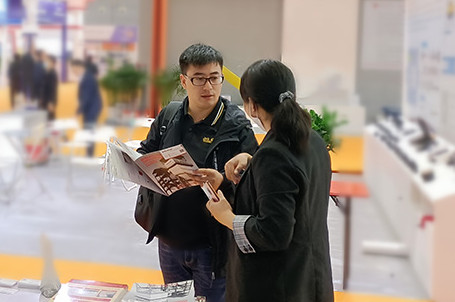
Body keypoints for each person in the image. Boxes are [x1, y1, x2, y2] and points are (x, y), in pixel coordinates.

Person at [193, 59, 333, 302]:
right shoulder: (313, 141)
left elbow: (272, 233)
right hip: (310, 278)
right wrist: (250, 166)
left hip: (277, 286)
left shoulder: (274, 153)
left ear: (252, 106)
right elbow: (292, 194)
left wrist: (226, 217)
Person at [133, 44, 258, 302]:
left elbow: (254, 179)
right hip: (169, 240)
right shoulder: (169, 116)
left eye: (214, 78)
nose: (208, 86)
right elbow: (145, 152)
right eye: (199, 79)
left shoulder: (236, 124)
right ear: (184, 81)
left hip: (212, 245)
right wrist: (132, 164)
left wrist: (222, 179)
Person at [74, 58, 103, 157]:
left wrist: (78, 112)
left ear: (79, 67)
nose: (74, 72)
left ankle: (89, 154)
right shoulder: (87, 76)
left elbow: (87, 97)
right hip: (90, 107)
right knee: (88, 129)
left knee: (89, 130)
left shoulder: (88, 78)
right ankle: (89, 153)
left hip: (92, 108)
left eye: (74, 69)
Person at [42, 54, 59, 121]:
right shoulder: (47, 72)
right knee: (47, 118)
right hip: (46, 100)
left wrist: (51, 102)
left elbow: (53, 89)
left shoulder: (52, 73)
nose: (45, 63)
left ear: (52, 63)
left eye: (47, 61)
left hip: (49, 101)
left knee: (50, 118)